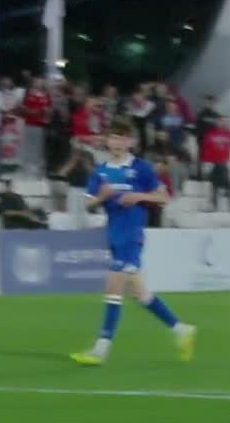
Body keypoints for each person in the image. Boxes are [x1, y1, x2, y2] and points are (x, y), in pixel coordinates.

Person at [70, 118, 196, 366]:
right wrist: (101, 197)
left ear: (130, 142)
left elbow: (164, 198)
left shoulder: (141, 168)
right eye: (113, 137)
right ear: (107, 141)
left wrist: (138, 196)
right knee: (140, 294)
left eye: (122, 138)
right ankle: (181, 329)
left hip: (132, 236)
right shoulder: (100, 172)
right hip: (114, 236)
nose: (117, 142)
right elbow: (87, 203)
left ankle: (100, 350)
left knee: (113, 288)